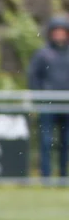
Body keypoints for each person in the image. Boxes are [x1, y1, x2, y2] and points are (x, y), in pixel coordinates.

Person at [27, 15, 69, 179]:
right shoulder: (43, 54)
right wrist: (40, 97)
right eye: (56, 32)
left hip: (67, 105)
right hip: (48, 105)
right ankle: (46, 176)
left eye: (62, 32)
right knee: (46, 141)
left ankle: (63, 176)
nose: (59, 35)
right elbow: (33, 77)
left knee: (66, 142)